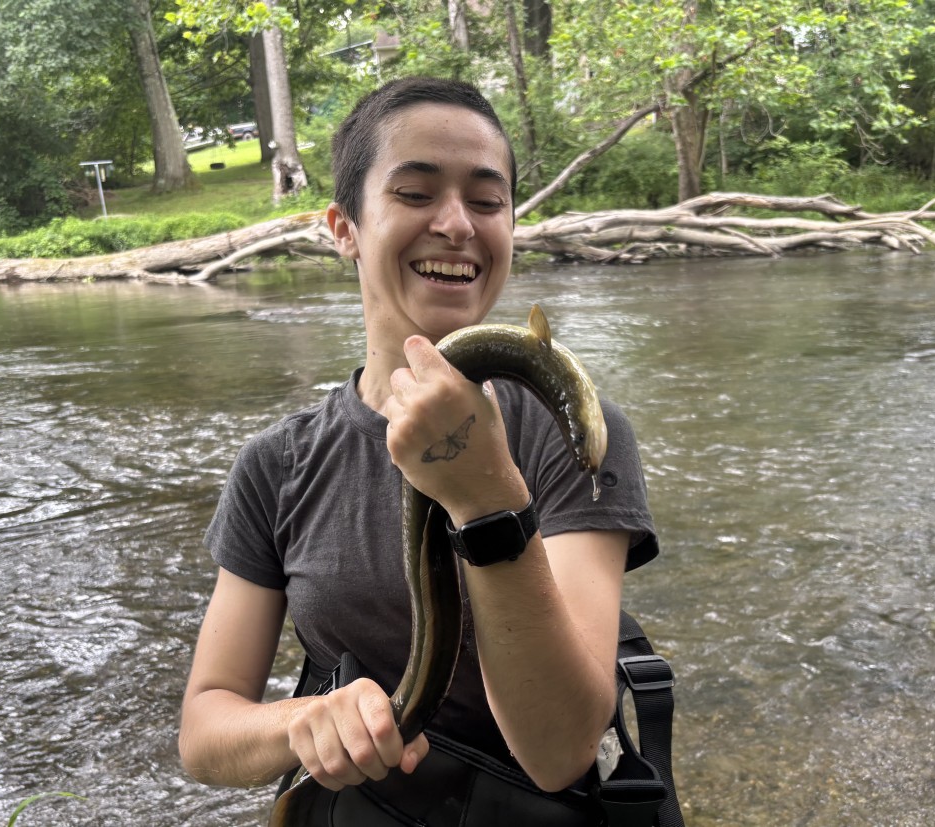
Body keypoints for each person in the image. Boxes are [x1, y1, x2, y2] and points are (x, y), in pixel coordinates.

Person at [178, 76, 660, 820]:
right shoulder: (277, 464)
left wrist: (485, 496)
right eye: (414, 193)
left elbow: (563, 748)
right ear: (344, 228)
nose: (458, 224)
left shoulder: (571, 434)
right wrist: (300, 721)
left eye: (488, 200)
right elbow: (206, 731)